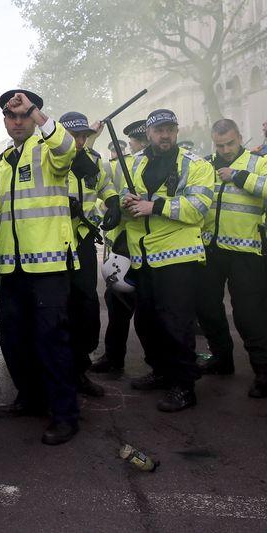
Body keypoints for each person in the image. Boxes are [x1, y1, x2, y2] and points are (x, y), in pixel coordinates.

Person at [0, 89, 80, 445]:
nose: (17, 122)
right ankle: (28, 397)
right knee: (15, 339)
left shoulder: (49, 150)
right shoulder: (1, 161)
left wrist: (38, 113)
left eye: (23, 116)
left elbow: (68, 148)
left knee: (52, 341)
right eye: (11, 117)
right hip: (12, 268)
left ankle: (65, 414)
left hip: (49, 266)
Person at [121, 109, 214, 412]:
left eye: (169, 130)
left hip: (178, 257)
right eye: (159, 130)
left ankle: (183, 386)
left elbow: (198, 206)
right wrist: (125, 203)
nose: (165, 135)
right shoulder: (133, 163)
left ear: (176, 131)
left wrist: (155, 206)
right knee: (147, 321)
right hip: (143, 256)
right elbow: (124, 192)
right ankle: (160, 371)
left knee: (176, 324)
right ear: (148, 133)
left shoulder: (195, 164)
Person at [197, 118, 267, 398]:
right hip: (210, 248)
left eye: (230, 143)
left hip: (246, 250)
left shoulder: (258, 162)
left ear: (240, 137)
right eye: (219, 145)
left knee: (249, 315)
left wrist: (238, 176)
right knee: (206, 308)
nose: (225, 150)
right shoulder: (204, 165)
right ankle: (221, 358)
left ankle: (263, 371)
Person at [59, 111, 120, 397]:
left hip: (82, 240)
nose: (80, 141)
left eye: (83, 135)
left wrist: (113, 201)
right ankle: (57, 370)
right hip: (54, 242)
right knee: (58, 306)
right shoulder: (48, 159)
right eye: (74, 136)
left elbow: (104, 184)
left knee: (85, 303)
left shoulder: (93, 160)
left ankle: (80, 367)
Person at [91, 119, 148, 374]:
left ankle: (158, 365)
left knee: (152, 311)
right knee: (117, 304)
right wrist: (114, 206)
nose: (141, 148)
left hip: (154, 248)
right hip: (124, 247)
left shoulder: (167, 166)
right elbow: (104, 194)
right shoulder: (117, 167)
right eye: (139, 143)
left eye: (143, 143)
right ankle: (113, 358)